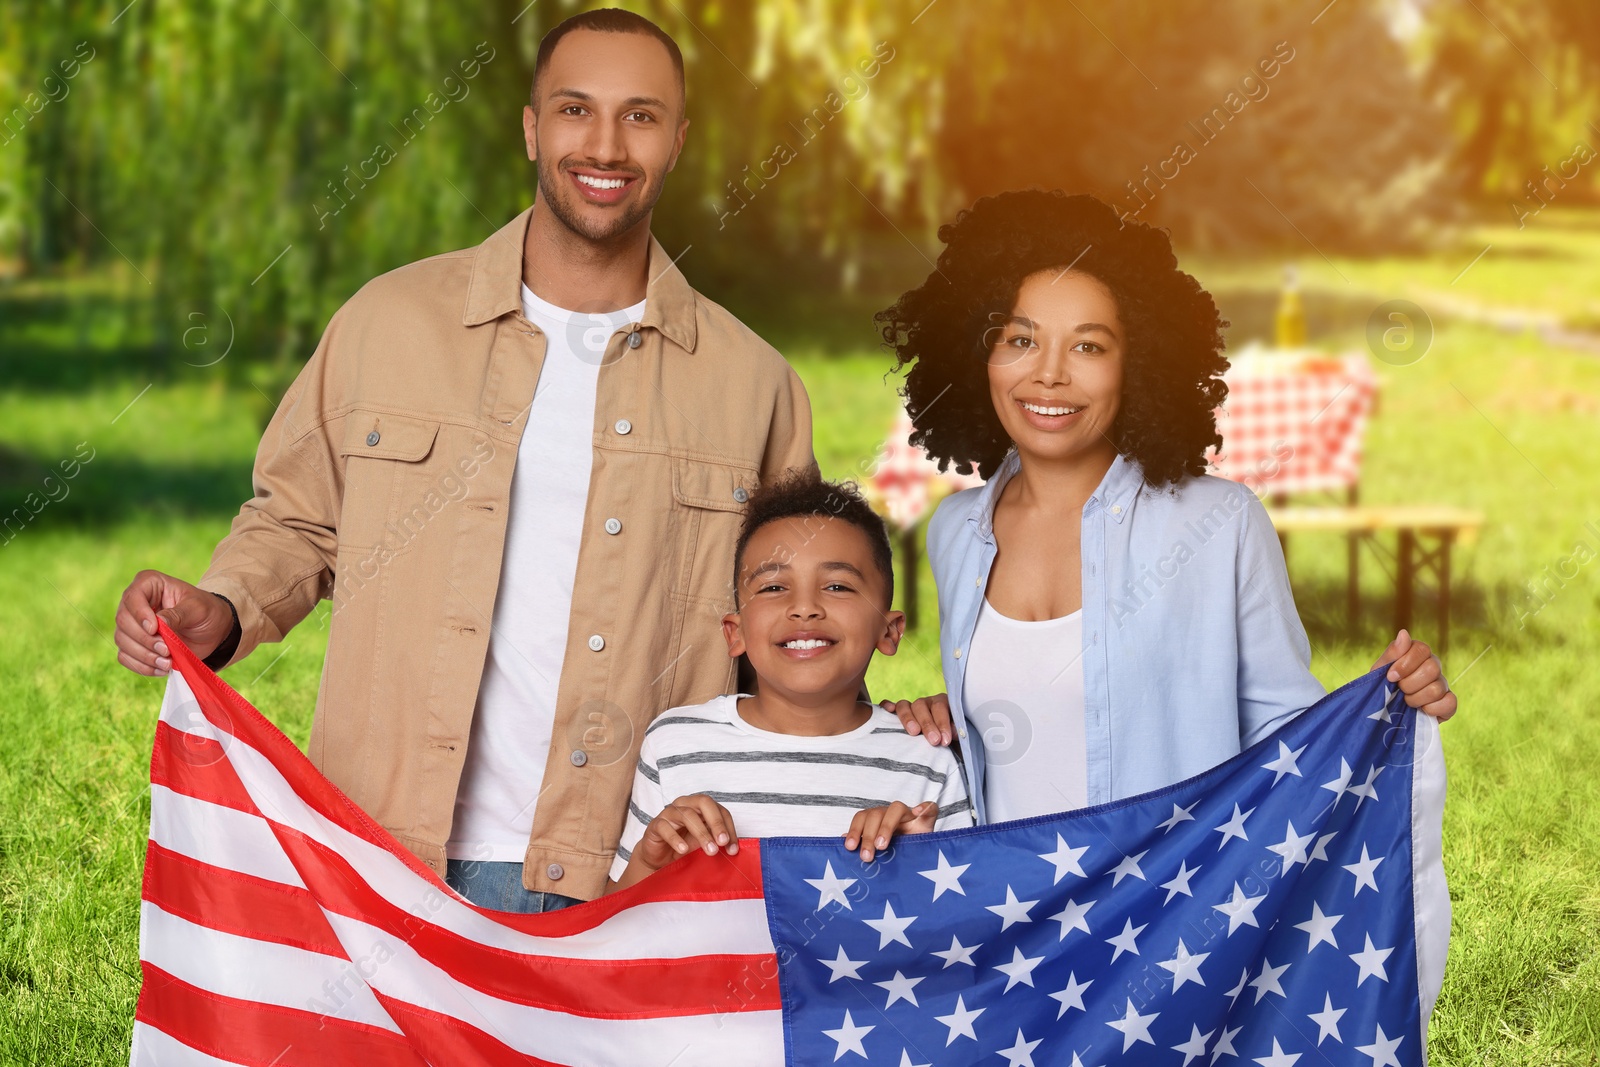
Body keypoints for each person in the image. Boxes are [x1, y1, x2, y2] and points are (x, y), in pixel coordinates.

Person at [110, 9, 814, 911]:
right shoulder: (387, 322)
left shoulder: (755, 383)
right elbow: (295, 518)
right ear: (530, 127)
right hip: (388, 850)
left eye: (640, 115)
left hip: (632, 874)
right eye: (574, 109)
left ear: (678, 140)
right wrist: (224, 607)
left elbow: (794, 627)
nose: (605, 144)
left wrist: (899, 730)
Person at [874, 189, 1457, 823]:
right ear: (974, 354)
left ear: (1139, 365)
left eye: (1088, 346)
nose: (1048, 374)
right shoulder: (957, 532)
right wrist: (939, 723)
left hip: (1165, 914)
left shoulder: (1220, 524)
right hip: (1017, 918)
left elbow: (1285, 739)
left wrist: (1376, 705)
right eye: (1020, 338)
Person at [609, 471, 973, 891]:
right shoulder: (674, 744)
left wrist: (910, 865)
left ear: (888, 632)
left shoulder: (929, 758)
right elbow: (618, 934)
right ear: (736, 632)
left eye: (837, 585)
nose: (804, 608)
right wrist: (648, 864)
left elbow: (960, 927)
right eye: (774, 587)